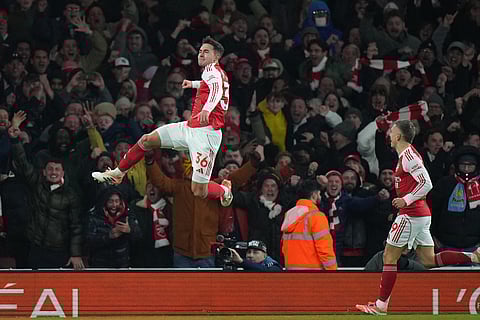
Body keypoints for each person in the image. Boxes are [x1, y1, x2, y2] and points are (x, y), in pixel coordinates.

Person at [356, 120, 480, 315]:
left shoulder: (408, 157)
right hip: (420, 214)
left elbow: (427, 183)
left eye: (392, 132)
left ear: (398, 136)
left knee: (389, 256)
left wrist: (405, 200)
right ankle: (472, 256)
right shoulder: (407, 155)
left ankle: (381, 305)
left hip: (411, 214)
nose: (389, 135)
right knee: (428, 260)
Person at [91, 36, 233, 206]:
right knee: (146, 140)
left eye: (206, 52)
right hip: (190, 127)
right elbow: (208, 86)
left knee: (198, 190)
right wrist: (192, 84)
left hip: (206, 135)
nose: (201, 54)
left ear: (216, 56)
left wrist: (207, 109)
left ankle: (225, 191)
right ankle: (118, 172)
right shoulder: (213, 72)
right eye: (201, 50)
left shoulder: (214, 73)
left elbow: (216, 92)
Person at [281, 179, 337, 270]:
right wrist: (333, 272)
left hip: (291, 274)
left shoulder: (289, 214)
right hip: (312, 276)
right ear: (314, 194)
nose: (320, 196)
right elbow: (324, 249)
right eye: (319, 194)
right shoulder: (316, 216)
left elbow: (284, 248)